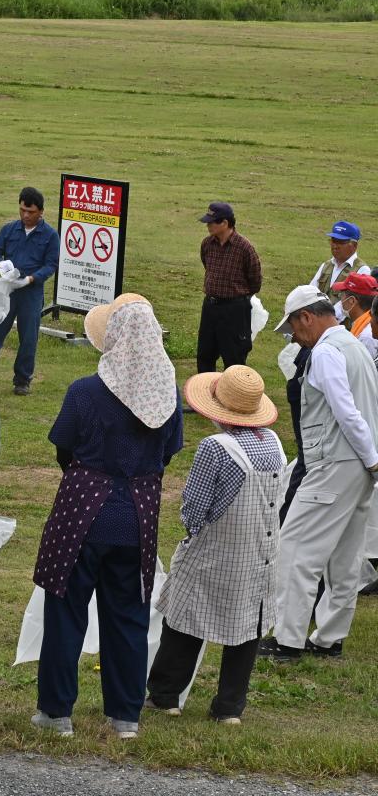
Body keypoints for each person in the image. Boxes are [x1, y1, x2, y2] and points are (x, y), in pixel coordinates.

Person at [32, 299, 183, 740]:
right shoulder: (167, 394)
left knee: (65, 609)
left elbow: (64, 446)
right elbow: (167, 453)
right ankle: (125, 717)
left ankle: (56, 712)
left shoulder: (85, 391)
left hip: (83, 506)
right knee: (129, 615)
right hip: (139, 511)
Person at [147, 365, 283, 725]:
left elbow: (193, 509)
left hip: (217, 548)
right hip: (260, 551)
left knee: (185, 618)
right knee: (248, 626)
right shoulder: (273, 442)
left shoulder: (215, 447)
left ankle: (165, 696)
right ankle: (229, 708)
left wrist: (192, 532)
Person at [260, 286, 378, 661]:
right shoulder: (356, 346)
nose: (294, 337)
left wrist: (372, 459)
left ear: (307, 317)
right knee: (346, 555)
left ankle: (288, 639)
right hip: (357, 465)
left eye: (293, 328)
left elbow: (346, 412)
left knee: (294, 547)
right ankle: (329, 637)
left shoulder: (326, 352)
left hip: (335, 462)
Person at [0, 186, 60, 396]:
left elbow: (51, 264)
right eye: (22, 210)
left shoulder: (50, 236)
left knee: (28, 338)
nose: (25, 215)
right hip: (7, 290)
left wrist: (32, 279)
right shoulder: (9, 229)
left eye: (30, 212)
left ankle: (22, 380)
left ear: (41, 212)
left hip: (31, 293)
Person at [195, 201, 262, 373]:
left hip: (234, 310)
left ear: (224, 223)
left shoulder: (244, 248)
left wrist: (236, 297)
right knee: (204, 355)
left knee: (234, 359)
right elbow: (207, 265)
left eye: (211, 222)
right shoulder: (207, 244)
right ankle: (203, 396)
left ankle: (234, 397)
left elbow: (255, 281)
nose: (208, 226)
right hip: (210, 307)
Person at [310, 220, 366, 322]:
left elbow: (350, 303)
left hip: (345, 330)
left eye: (341, 242)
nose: (335, 245)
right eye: (333, 240)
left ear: (354, 245)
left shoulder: (362, 270)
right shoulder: (326, 265)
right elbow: (311, 291)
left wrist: (324, 320)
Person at [332, 272, 378, 359]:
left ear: (352, 301)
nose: (340, 301)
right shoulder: (362, 324)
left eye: (342, 295)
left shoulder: (367, 337)